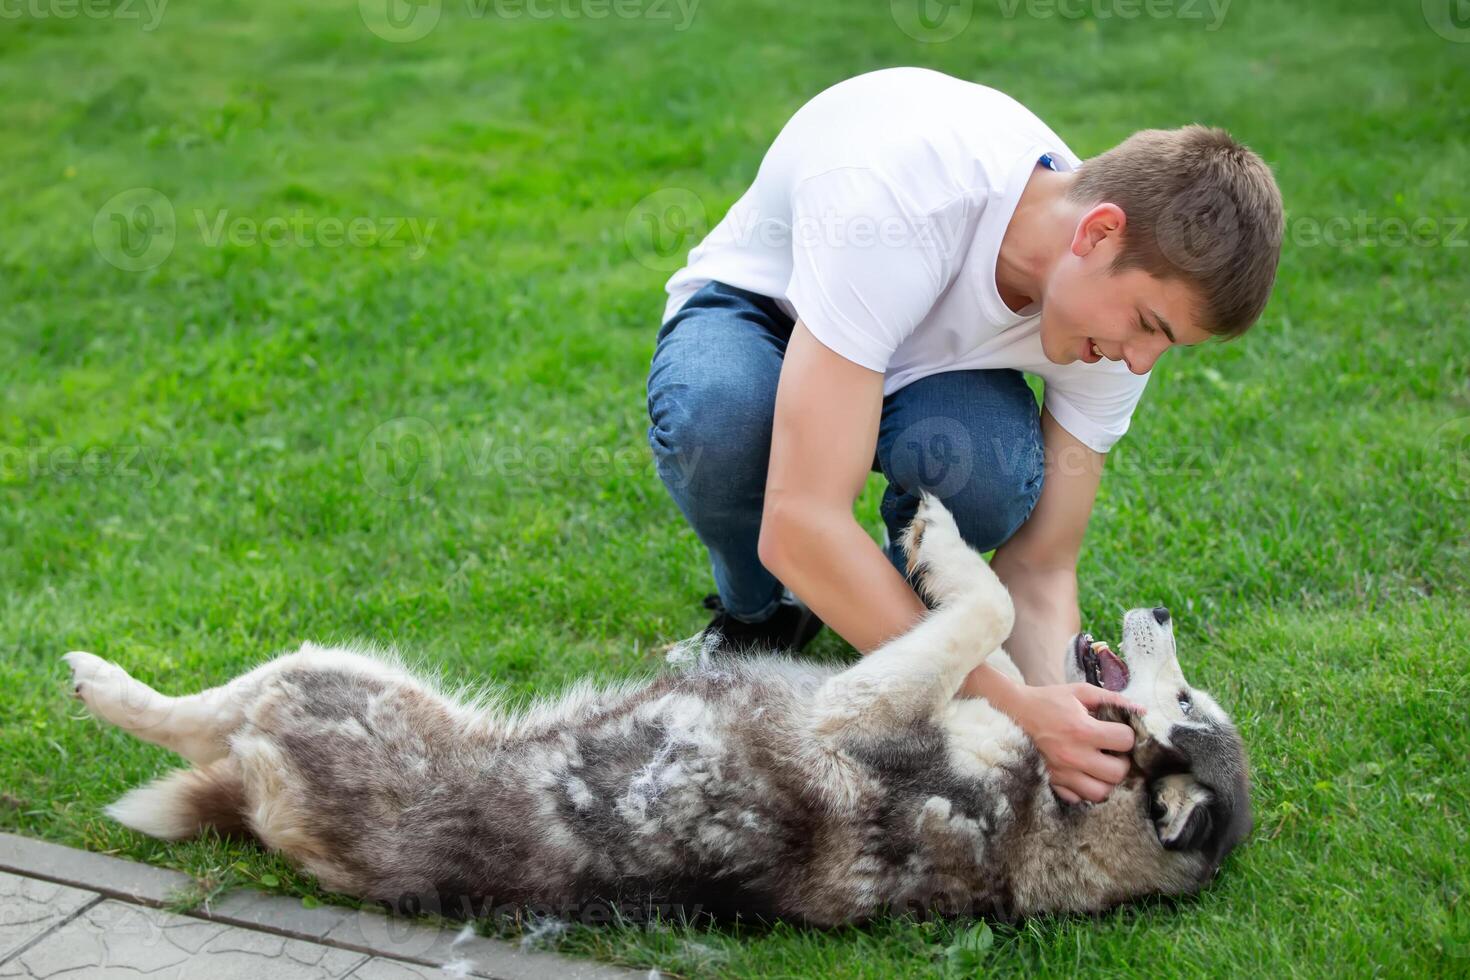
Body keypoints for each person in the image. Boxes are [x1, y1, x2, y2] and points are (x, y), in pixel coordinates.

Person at [644, 66, 1283, 804]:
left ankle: (868, 603)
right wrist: (1008, 703)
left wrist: (1068, 719)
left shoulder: (1114, 316)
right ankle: (763, 614)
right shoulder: (904, 199)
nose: (1142, 360)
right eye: (1147, 325)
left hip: (921, 368)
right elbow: (801, 522)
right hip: (770, 312)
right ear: (1100, 232)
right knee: (722, 422)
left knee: (984, 469)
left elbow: (1042, 570)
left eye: (1166, 344)